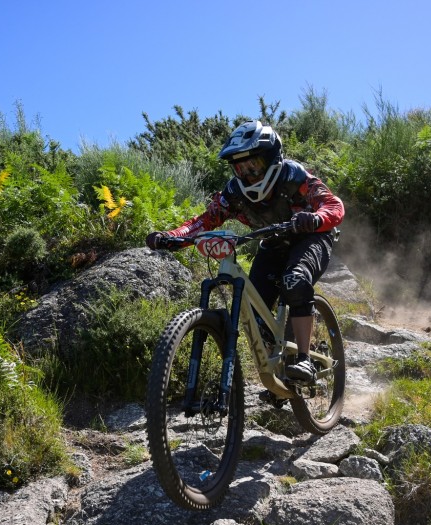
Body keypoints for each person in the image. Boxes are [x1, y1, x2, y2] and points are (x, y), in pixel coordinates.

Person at [145, 120, 345, 382]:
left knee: (295, 281)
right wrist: (170, 237)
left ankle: (305, 360)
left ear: (272, 158)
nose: (248, 174)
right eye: (241, 168)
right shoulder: (233, 193)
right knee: (255, 315)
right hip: (273, 244)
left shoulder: (295, 177)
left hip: (310, 238)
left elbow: (333, 204)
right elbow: (202, 222)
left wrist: (316, 218)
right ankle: (283, 372)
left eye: (254, 165)